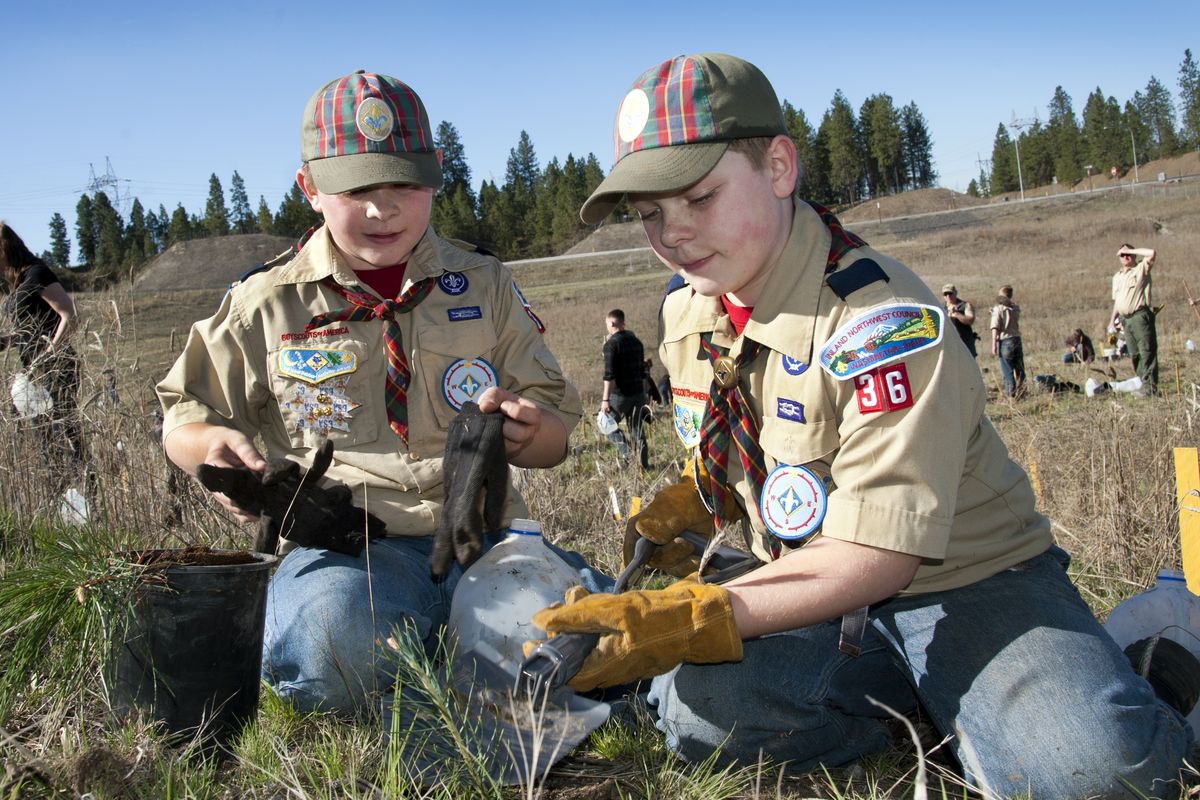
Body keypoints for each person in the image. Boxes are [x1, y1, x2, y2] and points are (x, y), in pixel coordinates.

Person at [530, 52, 1192, 798]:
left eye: (699, 198)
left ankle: (1153, 652)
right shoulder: (688, 312)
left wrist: (686, 617)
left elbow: (879, 558)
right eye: (649, 214)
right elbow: (741, 444)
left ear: (780, 168)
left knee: (1088, 774)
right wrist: (693, 495)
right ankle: (932, 712)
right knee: (697, 715)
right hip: (804, 590)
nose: (673, 233)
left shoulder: (879, 321)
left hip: (964, 582)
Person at [156, 70, 604, 715]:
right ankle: (459, 654)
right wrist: (208, 447)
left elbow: (554, 416)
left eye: (403, 183)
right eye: (356, 187)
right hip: (347, 553)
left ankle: (468, 645)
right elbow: (186, 412)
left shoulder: (483, 284)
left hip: (486, 543)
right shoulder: (267, 303)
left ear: (437, 174)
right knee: (334, 649)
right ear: (310, 187)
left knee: (612, 631)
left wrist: (535, 434)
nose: (381, 207)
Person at [0, 221, 85, 474]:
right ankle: (61, 495)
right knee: (46, 442)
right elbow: (35, 329)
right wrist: (9, 340)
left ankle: (86, 491)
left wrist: (47, 357)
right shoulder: (18, 284)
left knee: (66, 436)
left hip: (57, 369)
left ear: (4, 249)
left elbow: (69, 315)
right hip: (35, 373)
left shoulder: (37, 274)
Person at [601, 309, 651, 470]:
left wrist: (605, 400)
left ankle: (628, 453)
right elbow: (643, 372)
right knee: (637, 430)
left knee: (605, 425)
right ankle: (644, 466)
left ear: (612, 323)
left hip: (620, 395)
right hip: (638, 393)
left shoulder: (611, 345)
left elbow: (609, 375)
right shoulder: (637, 342)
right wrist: (644, 394)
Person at [1109, 243, 1159, 394]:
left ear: (1134, 255)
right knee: (1134, 353)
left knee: (1147, 351)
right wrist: (1112, 320)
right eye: (1122, 255)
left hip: (1140, 316)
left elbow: (1151, 252)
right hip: (1125, 319)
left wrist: (1130, 250)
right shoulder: (1117, 277)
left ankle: (1150, 387)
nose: (1125, 257)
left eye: (1128, 254)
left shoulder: (1140, 269)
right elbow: (1118, 301)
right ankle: (1142, 383)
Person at [989, 284, 1025, 398]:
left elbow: (995, 327)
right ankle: (1022, 391)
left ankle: (1010, 395)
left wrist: (994, 344)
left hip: (1005, 341)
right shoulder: (1015, 309)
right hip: (1016, 339)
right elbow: (1011, 309)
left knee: (1007, 369)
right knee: (1019, 368)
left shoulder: (998, 309)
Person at [941, 283, 977, 357]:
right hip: (949, 344)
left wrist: (957, 314)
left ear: (955, 293)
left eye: (950, 293)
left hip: (965, 342)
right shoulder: (942, 308)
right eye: (945, 294)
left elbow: (970, 320)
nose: (948, 296)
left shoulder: (966, 305)